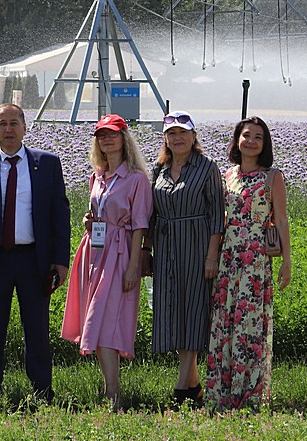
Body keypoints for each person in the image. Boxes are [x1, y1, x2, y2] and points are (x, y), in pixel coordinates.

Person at [0, 103, 71, 403]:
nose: (8, 129)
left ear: (24, 127)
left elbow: (60, 213)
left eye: (14, 123)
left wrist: (61, 261)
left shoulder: (46, 163)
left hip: (35, 260)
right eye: (2, 124)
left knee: (36, 329)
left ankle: (42, 393)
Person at [61, 114, 151, 409]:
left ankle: (113, 392)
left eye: (112, 134)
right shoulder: (96, 176)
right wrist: (90, 220)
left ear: (124, 139)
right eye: (101, 135)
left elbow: (140, 225)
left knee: (106, 319)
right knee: (95, 320)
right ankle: (109, 386)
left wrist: (134, 266)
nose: (107, 139)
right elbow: (99, 211)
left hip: (120, 252)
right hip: (94, 251)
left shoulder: (137, 179)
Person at [205, 116, 292, 411]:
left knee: (249, 325)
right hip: (229, 256)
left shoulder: (272, 177)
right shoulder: (227, 176)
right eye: (246, 135)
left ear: (264, 144)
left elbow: (281, 220)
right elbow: (220, 220)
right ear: (237, 140)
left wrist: (287, 262)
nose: (251, 141)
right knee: (224, 323)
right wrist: (213, 257)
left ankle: (249, 396)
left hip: (255, 259)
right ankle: (222, 394)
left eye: (258, 137)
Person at [148, 112, 224, 407]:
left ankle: (181, 389)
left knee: (193, 309)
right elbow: (150, 214)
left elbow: (217, 214)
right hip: (166, 246)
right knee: (172, 311)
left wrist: (211, 256)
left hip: (196, 243)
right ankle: (193, 387)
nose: (177, 138)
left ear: (194, 137)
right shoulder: (159, 169)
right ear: (165, 139)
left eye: (183, 133)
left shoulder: (207, 168)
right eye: (172, 133)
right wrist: (146, 249)